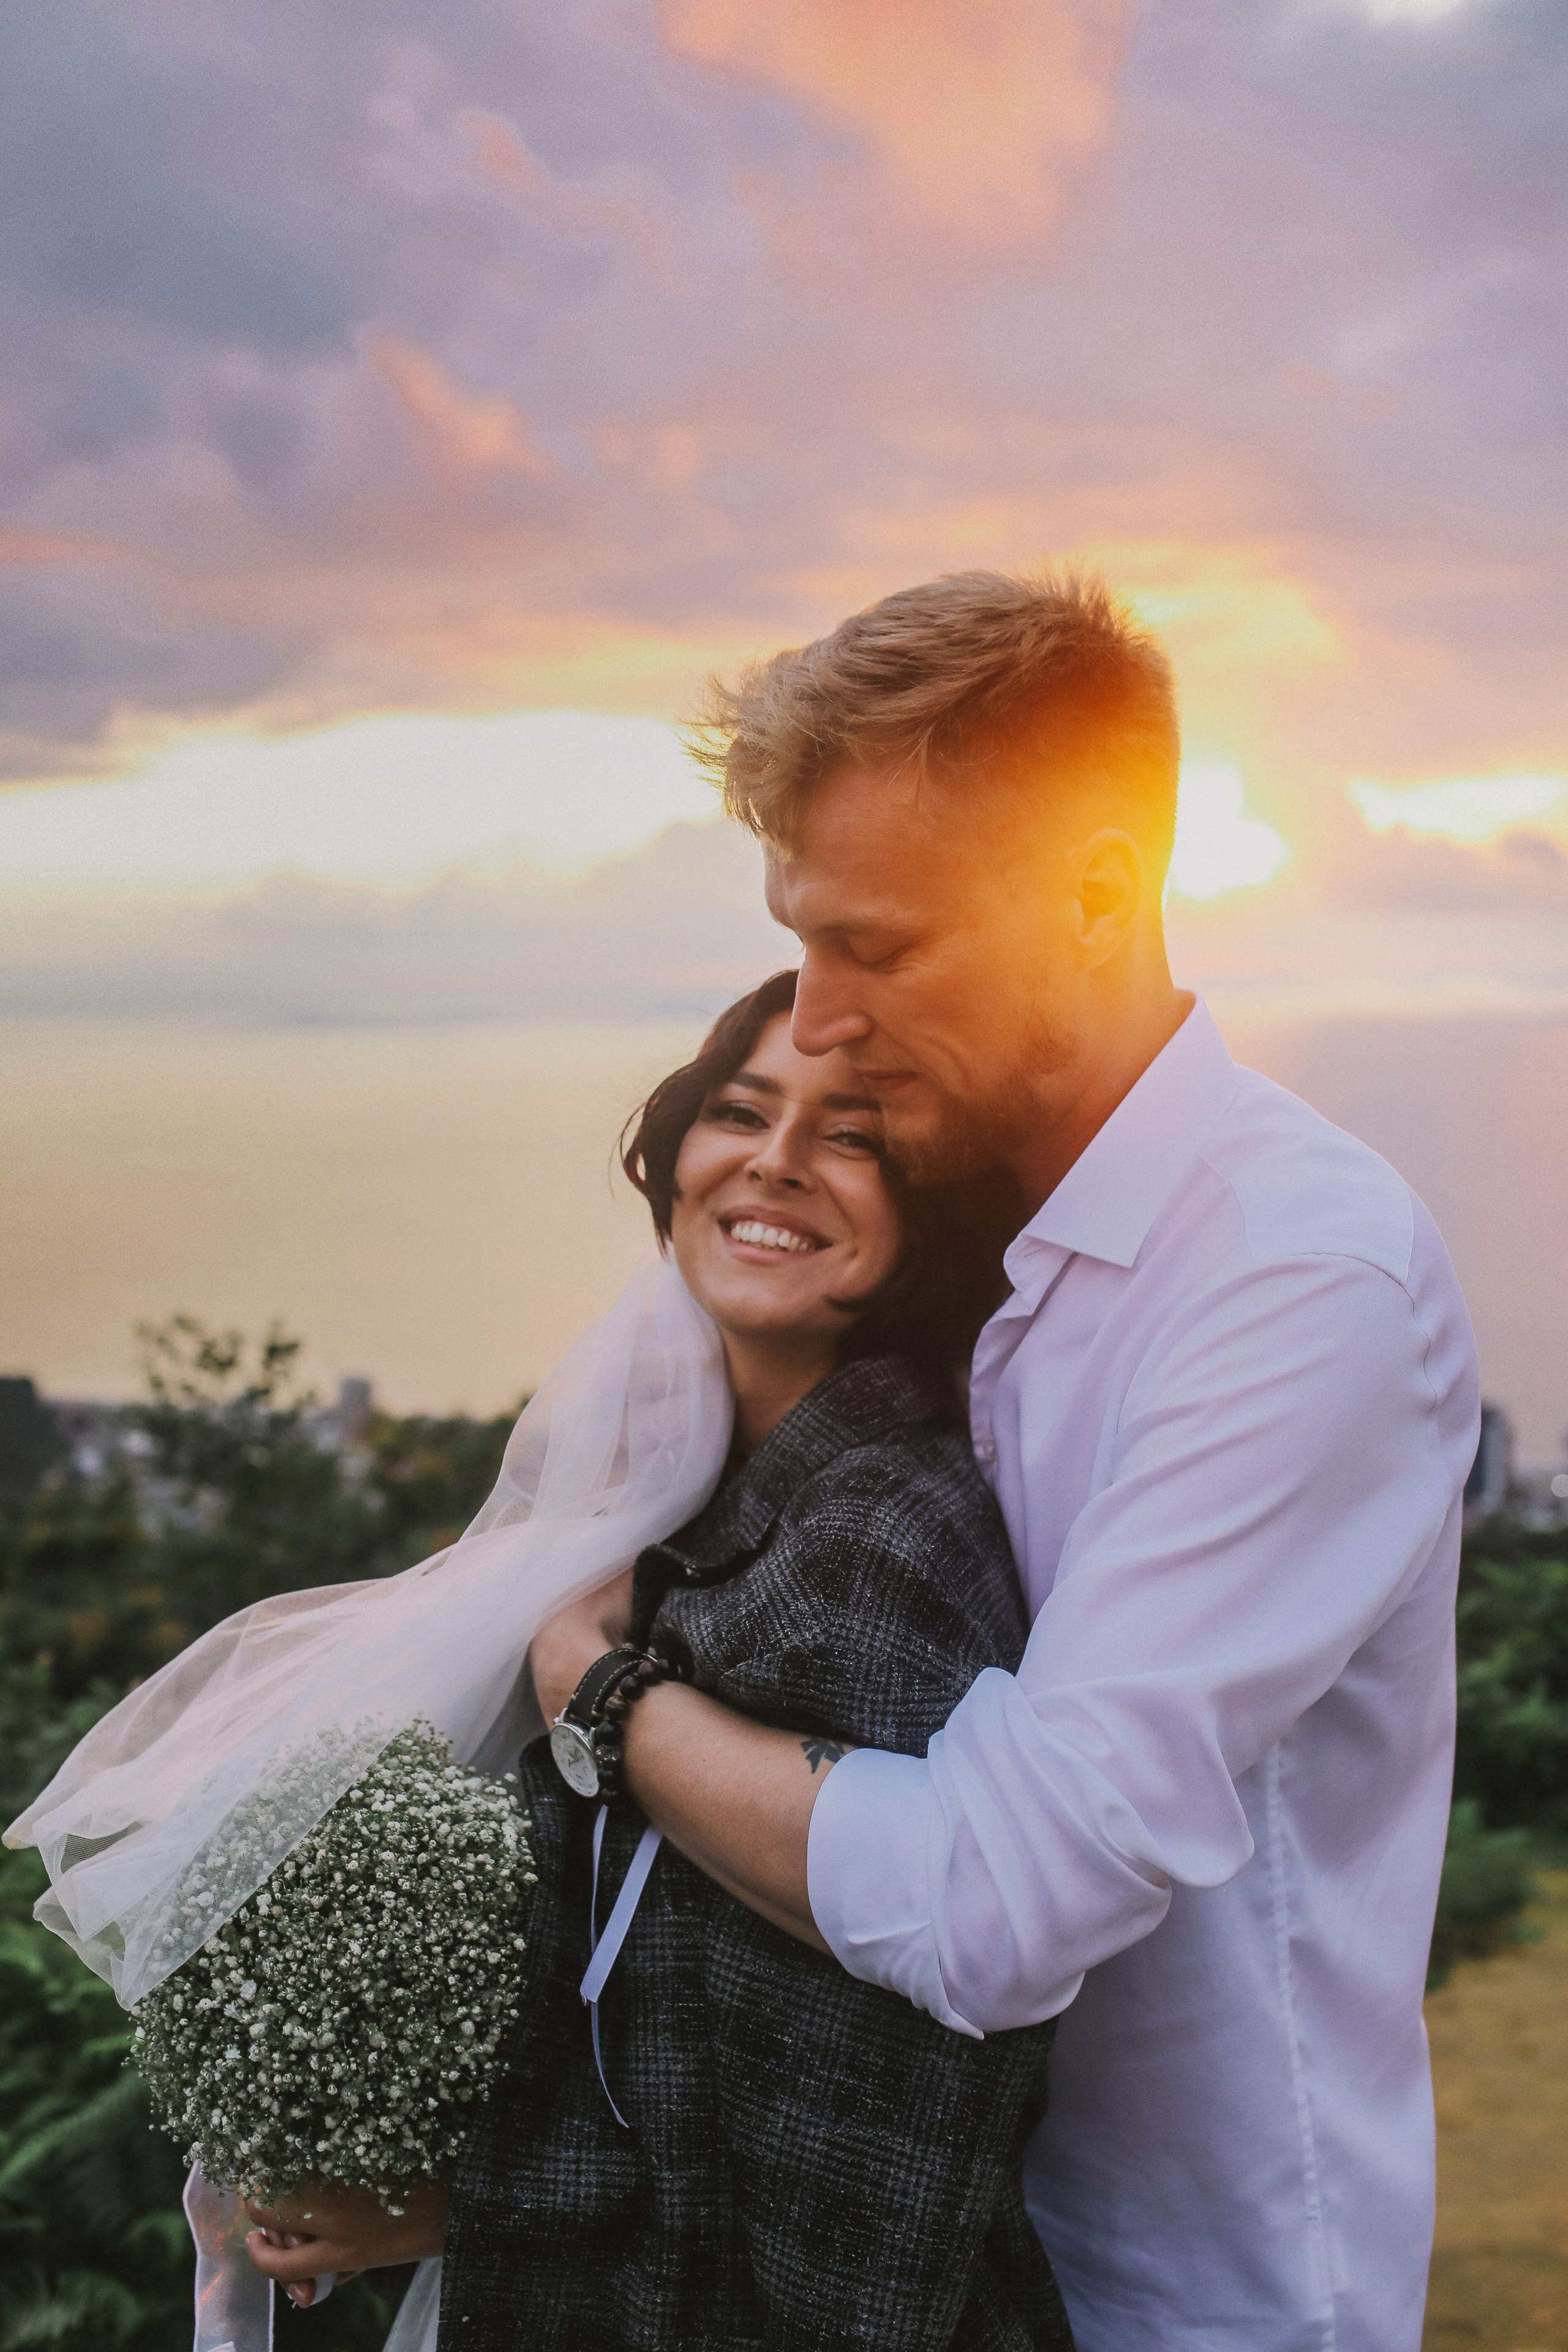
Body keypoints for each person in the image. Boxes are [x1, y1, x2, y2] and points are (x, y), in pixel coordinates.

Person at [529, 572, 1480, 2351]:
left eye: (878, 950)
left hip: (1185, 2302)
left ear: (1104, 895)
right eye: (799, 940)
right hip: (919, 2272)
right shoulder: (952, 1217)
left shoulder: (1292, 1280)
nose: (812, 1022)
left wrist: (602, 1691)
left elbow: (995, 1901)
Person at [247, 971, 1073, 2351]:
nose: (772, 1162)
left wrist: (469, 2199)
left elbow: (864, 2173)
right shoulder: (667, 1497)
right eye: (737, 1112)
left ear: (930, 1205)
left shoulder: (881, 1541)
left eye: (853, 1138)